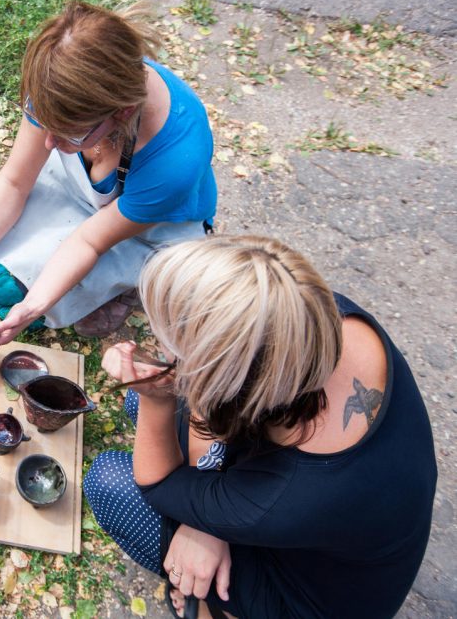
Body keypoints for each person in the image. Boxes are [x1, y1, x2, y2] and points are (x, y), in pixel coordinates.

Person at [83, 235, 436, 618]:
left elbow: (159, 484)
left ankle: (211, 608)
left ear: (229, 395)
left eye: (172, 344)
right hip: (333, 530)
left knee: (112, 481)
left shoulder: (277, 498)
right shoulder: (299, 312)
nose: (159, 345)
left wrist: (159, 400)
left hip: (305, 596)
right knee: (158, 395)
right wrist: (209, 522)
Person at [0, 0, 216, 346]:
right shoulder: (61, 86)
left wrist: (33, 307)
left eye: (70, 134)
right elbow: (14, 182)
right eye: (44, 123)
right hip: (81, 190)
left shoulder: (174, 162)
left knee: (19, 293)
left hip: (148, 228)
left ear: (123, 112)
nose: (49, 142)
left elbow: (90, 240)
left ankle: (128, 287)